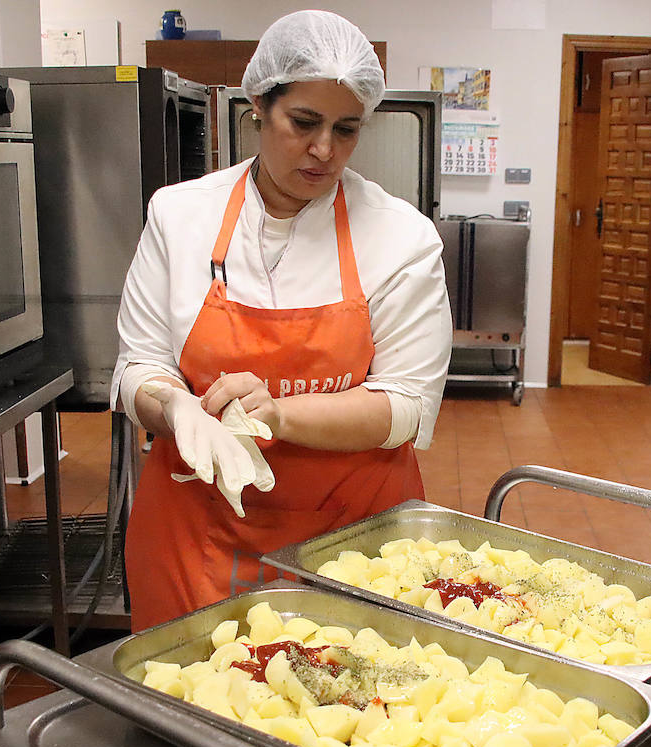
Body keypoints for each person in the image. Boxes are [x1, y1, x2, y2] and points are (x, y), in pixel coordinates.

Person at [114, 10, 452, 629]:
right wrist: (178, 410)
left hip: (354, 543)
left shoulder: (401, 237)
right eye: (303, 123)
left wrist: (277, 414)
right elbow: (141, 366)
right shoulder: (179, 216)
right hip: (200, 537)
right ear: (257, 110)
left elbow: (407, 405)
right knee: (188, 707)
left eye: (346, 130)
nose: (324, 150)